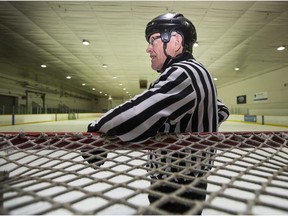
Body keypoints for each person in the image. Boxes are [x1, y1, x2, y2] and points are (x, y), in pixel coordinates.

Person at [86, 12, 229, 214]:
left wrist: (96, 129)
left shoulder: (183, 72)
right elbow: (221, 109)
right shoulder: (198, 71)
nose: (148, 48)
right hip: (189, 182)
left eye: (153, 40)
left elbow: (138, 113)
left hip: (176, 187)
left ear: (176, 41)